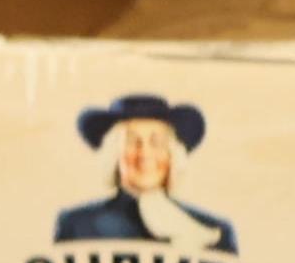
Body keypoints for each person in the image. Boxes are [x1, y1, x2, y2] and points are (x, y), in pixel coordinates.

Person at [51, 95, 236, 252]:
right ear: (114, 154)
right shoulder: (77, 225)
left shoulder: (213, 231)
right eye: (132, 142)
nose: (145, 154)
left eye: (156, 142)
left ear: (173, 155)